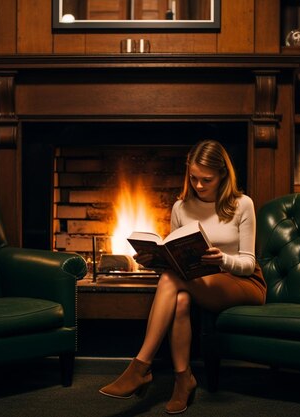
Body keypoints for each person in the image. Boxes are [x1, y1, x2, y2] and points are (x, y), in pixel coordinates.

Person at [99, 139, 267, 414]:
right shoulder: (181, 207)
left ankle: (140, 366)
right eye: (194, 178)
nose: (199, 186)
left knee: (172, 280)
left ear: (223, 175)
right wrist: (153, 261)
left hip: (242, 283)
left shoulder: (241, 204)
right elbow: (174, 259)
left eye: (207, 180)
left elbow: (249, 263)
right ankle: (182, 380)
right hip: (195, 281)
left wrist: (221, 259)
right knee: (178, 298)